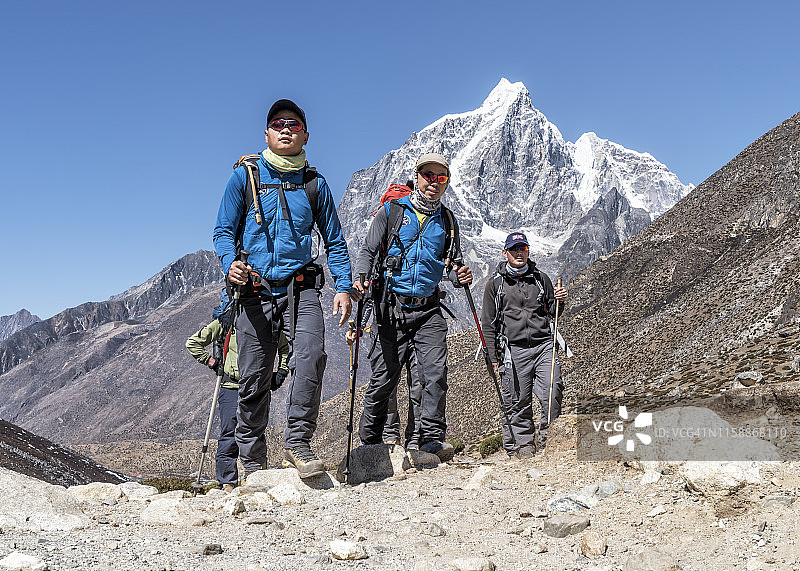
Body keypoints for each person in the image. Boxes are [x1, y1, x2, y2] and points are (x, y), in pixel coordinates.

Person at [213, 98, 354, 479]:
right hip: (253, 291)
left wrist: (344, 287)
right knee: (253, 377)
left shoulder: (314, 184)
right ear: (267, 134)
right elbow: (223, 232)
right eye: (278, 123)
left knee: (310, 356)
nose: (286, 129)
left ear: (306, 134)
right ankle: (252, 461)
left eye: (293, 124)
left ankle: (297, 443)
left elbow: (335, 241)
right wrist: (231, 266)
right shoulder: (245, 176)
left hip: (301, 289)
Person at [354, 153, 472, 461]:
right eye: (428, 176)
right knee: (384, 378)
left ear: (447, 183)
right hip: (390, 308)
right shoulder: (392, 211)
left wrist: (459, 276)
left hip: (429, 310)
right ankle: (369, 440)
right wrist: (362, 279)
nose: (434, 183)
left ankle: (431, 439)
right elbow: (369, 249)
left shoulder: (447, 221)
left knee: (434, 374)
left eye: (441, 178)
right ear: (417, 176)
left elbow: (450, 264)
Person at [186, 290, 290, 491]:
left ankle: (255, 476)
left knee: (254, 429)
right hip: (232, 385)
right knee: (231, 434)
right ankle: (228, 481)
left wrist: (282, 371)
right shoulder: (227, 321)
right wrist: (212, 362)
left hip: (255, 385)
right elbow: (193, 343)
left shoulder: (269, 321)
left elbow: (285, 348)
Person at [480, 232, 568, 458]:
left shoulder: (541, 279)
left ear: (528, 251)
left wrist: (560, 300)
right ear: (505, 253)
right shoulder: (495, 285)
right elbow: (488, 323)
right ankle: (524, 446)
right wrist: (492, 356)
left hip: (544, 345)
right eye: (514, 249)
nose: (519, 253)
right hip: (513, 349)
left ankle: (550, 442)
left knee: (553, 389)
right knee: (518, 399)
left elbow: (553, 312)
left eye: (523, 249)